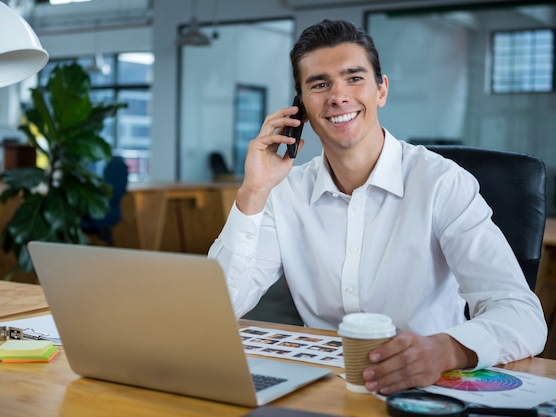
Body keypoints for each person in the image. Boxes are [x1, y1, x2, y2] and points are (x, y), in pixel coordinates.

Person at [207, 19, 547, 395]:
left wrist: (445, 349)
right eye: (320, 85)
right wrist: (253, 190)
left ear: (381, 90)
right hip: (323, 389)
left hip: (427, 386)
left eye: (354, 78)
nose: (338, 96)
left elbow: (521, 313)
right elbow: (217, 309)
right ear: (300, 107)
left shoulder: (441, 183)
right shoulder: (284, 192)